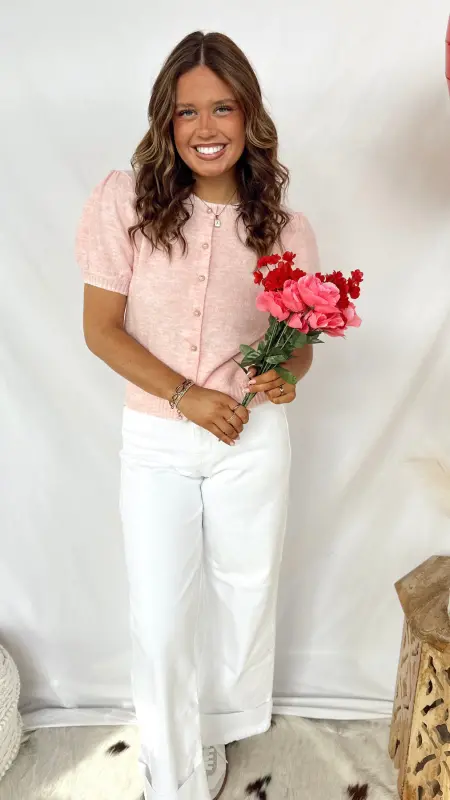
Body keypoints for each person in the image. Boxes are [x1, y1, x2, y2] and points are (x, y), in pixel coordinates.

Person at [75, 30, 319, 800]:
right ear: (166, 121)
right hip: (157, 439)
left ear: (249, 116)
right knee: (160, 617)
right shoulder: (126, 202)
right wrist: (186, 395)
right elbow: (101, 330)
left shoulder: (283, 229)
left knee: (242, 605)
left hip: (252, 441)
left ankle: (207, 737)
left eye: (223, 108)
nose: (206, 128)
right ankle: (172, 772)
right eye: (187, 112)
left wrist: (286, 376)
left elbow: (299, 347)